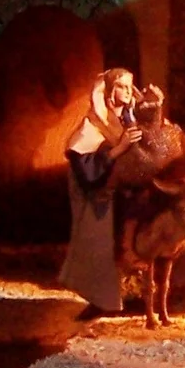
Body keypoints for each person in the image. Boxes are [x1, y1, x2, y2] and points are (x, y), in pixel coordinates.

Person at [60, 67, 141, 313]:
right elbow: (85, 168)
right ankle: (103, 302)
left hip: (120, 194)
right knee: (100, 247)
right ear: (109, 92)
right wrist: (119, 149)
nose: (128, 91)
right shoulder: (92, 125)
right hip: (96, 197)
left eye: (130, 86)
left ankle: (133, 294)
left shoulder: (127, 118)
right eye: (122, 86)